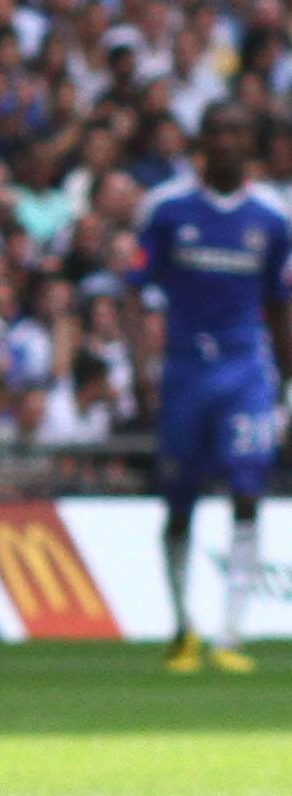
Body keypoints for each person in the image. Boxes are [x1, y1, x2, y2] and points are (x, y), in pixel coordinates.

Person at [137, 109, 286, 672]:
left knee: (247, 493)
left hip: (245, 371)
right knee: (181, 501)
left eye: (235, 132)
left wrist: (286, 385)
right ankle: (182, 628)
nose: (225, 141)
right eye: (216, 132)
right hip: (183, 371)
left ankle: (231, 633)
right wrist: (141, 359)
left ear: (249, 144)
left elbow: (278, 305)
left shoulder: (271, 217)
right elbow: (136, 285)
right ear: (201, 143)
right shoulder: (169, 209)